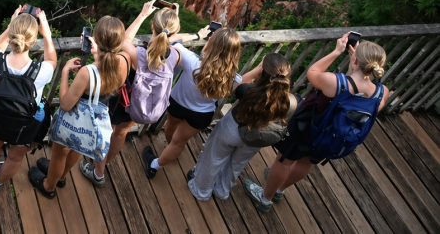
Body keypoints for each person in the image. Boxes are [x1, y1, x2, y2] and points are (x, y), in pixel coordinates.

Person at [243, 34, 388, 213]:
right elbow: (360, 95)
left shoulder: (336, 83)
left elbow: (313, 72)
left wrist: (337, 51)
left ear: (355, 60)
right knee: (305, 163)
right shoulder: (381, 93)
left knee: (282, 162)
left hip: (306, 129)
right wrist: (356, 64)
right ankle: (279, 189)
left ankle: (265, 198)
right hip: (329, 138)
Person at [81, 3, 196, 186]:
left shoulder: (139, 54)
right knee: (120, 134)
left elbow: (124, 39)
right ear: (175, 31)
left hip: (123, 100)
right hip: (142, 106)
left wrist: (143, 14)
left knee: (106, 133)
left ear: (152, 26)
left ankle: (98, 172)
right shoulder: (175, 55)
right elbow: (172, 40)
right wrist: (177, 23)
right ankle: (102, 166)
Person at [28, 16, 128, 198]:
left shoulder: (87, 72)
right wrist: (96, 52)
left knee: (59, 154)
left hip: (74, 120)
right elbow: (105, 69)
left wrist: (65, 70)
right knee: (75, 150)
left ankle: (49, 185)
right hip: (91, 124)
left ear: (96, 39)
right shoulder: (123, 62)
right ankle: (61, 177)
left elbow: (66, 104)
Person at [0, 6, 57, 213]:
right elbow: (52, 59)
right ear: (33, 39)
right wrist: (47, 33)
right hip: (26, 126)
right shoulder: (40, 71)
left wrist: (11, 23)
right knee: (15, 158)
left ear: (11, 35)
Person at [188, 53, 295, 201]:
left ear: (262, 72)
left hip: (232, 131)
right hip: (256, 139)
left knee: (213, 159)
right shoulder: (290, 101)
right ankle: (221, 191)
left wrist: (257, 70)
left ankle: (201, 191)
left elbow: (240, 81)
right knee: (236, 166)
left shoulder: (249, 91)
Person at [142, 26, 240, 179]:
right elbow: (243, 81)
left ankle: (155, 162)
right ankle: (170, 153)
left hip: (177, 103)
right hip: (201, 115)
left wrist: (198, 36)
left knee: (170, 126)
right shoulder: (233, 77)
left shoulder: (191, 60)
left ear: (212, 43)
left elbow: (164, 40)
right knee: (179, 143)